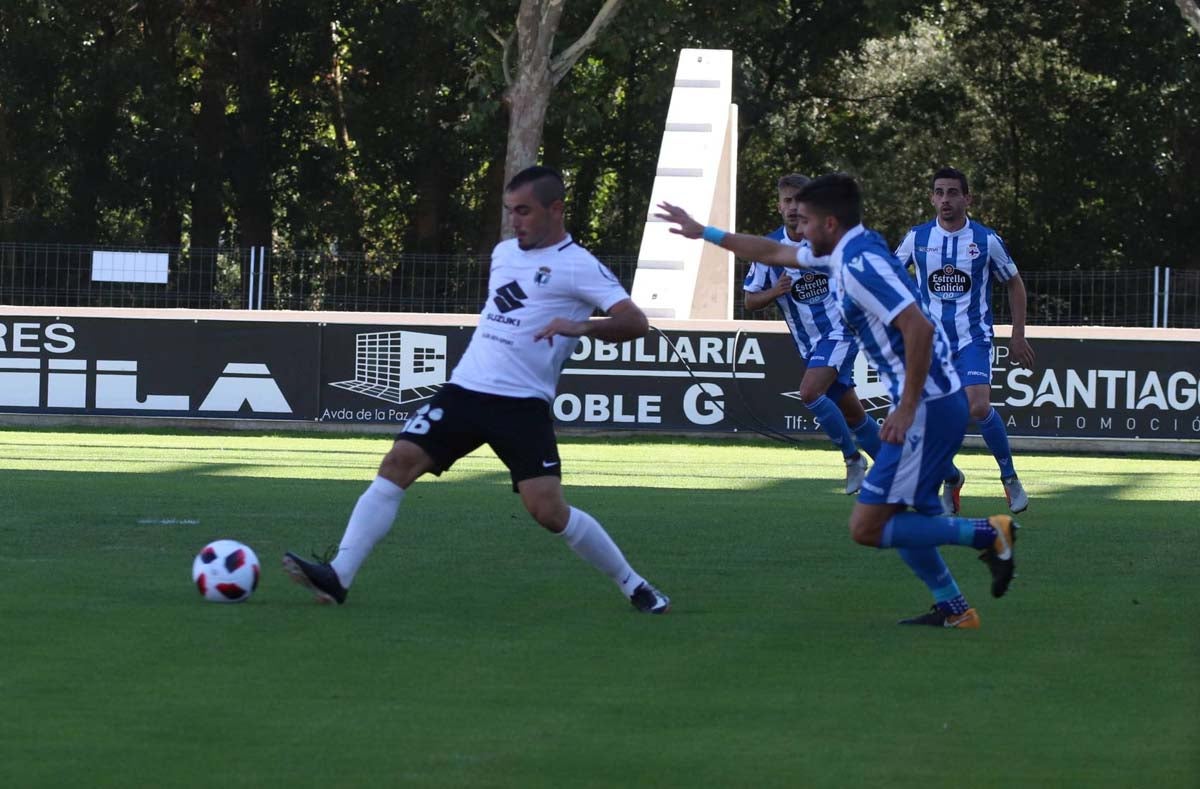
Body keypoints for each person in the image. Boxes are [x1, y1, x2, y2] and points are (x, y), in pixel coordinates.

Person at [283, 165, 670, 614]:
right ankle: (339, 576)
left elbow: (635, 322)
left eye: (524, 211)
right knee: (398, 462)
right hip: (466, 391)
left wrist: (580, 324)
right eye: (510, 212)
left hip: (522, 406)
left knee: (547, 511)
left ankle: (634, 584)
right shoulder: (504, 254)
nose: (515, 221)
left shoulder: (579, 266)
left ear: (556, 209)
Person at [655, 173, 1019, 628]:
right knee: (909, 515)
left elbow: (920, 329)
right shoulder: (850, 249)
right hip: (934, 404)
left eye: (804, 220)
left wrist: (905, 408)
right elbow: (771, 251)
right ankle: (954, 608)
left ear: (829, 223)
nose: (798, 229)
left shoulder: (858, 267)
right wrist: (703, 232)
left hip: (927, 408)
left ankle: (990, 532)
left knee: (867, 527)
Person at [893, 167, 1035, 515]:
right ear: (931, 198)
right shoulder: (917, 238)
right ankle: (952, 477)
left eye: (953, 192)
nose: (945, 199)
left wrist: (1018, 334)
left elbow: (1014, 284)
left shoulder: (985, 240)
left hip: (973, 338)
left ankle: (1009, 477)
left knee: (976, 406)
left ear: (967, 198)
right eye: (939, 192)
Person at [744, 173, 881, 494]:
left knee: (809, 393)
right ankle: (912, 474)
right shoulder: (770, 248)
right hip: (810, 345)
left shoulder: (828, 240)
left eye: (799, 201)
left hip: (842, 332)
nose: (793, 207)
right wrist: (774, 291)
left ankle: (852, 459)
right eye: (787, 201)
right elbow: (750, 300)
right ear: (779, 205)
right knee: (854, 415)